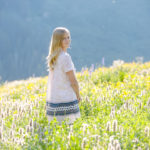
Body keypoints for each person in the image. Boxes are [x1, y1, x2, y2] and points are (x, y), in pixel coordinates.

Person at [45, 27, 82, 125]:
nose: (67, 40)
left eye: (68, 37)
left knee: (57, 132)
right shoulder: (65, 57)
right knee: (70, 130)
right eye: (63, 38)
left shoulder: (53, 56)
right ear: (58, 41)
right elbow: (73, 81)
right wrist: (78, 95)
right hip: (67, 100)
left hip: (54, 100)